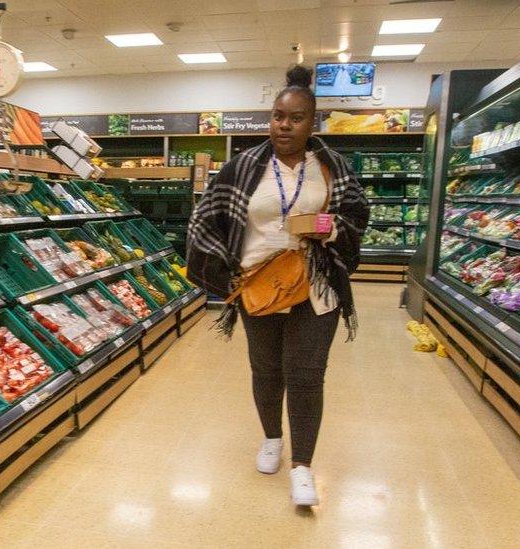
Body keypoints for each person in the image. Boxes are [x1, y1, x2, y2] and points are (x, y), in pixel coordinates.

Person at [186, 65, 369, 507]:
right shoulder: (243, 167)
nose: (284, 125)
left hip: (316, 286)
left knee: (306, 376)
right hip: (259, 285)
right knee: (266, 370)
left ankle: (302, 466)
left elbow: (358, 215)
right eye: (277, 116)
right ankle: (271, 437)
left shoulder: (331, 166)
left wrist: (325, 226)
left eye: (296, 117)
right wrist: (224, 271)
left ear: (313, 122)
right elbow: (203, 221)